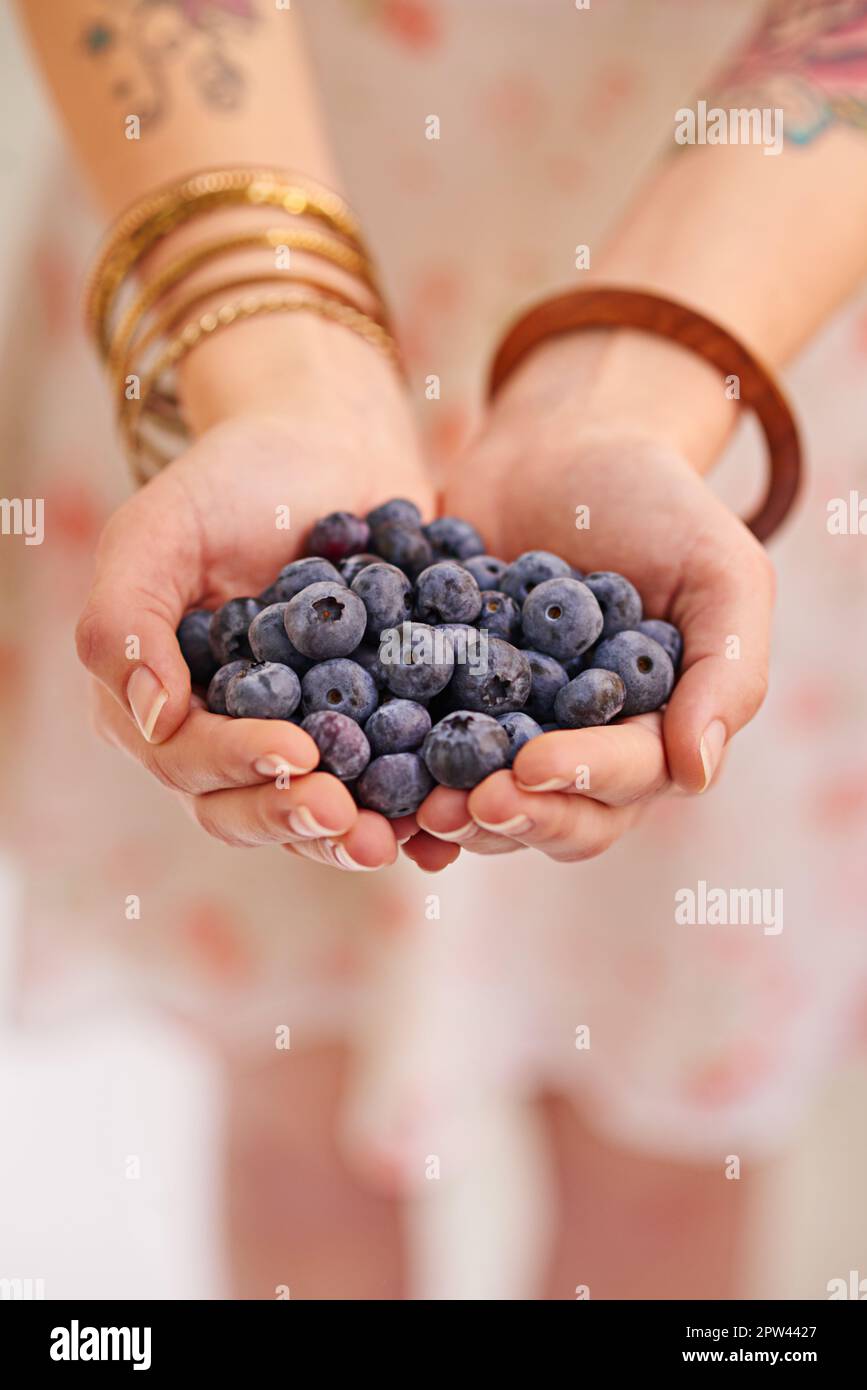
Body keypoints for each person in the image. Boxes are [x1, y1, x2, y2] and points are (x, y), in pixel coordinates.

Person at [10, 0, 867, 1298]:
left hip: (756, 284)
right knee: (297, 1111)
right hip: (231, 240)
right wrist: (276, 351)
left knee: (664, 1156)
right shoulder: (302, 574)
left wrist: (634, 388)